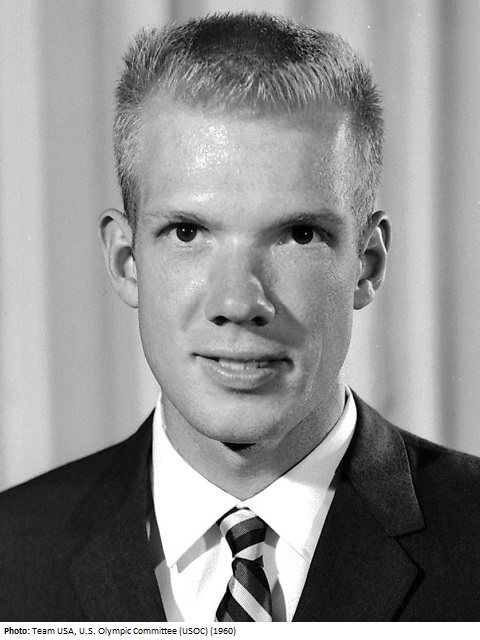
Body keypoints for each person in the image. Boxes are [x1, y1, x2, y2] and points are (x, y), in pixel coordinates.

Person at [1, 11, 480, 623]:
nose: (239, 303)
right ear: (126, 262)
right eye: (188, 232)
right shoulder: (10, 556)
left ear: (366, 264)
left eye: (299, 234)